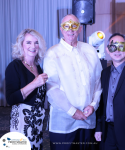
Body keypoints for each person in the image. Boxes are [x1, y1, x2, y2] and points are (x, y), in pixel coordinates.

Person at [43, 14, 102, 150]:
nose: (71, 30)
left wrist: (93, 105)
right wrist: (72, 111)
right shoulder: (52, 53)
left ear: (80, 29)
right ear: (61, 29)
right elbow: (52, 89)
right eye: (66, 26)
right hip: (63, 123)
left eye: (74, 26)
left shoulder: (90, 51)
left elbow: (98, 83)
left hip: (88, 120)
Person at [5, 28, 48, 150]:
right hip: (22, 123)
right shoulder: (14, 66)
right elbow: (11, 99)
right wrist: (34, 83)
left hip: (37, 123)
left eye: (36, 42)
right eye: (28, 42)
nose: (33, 46)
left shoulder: (38, 67)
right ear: (21, 45)